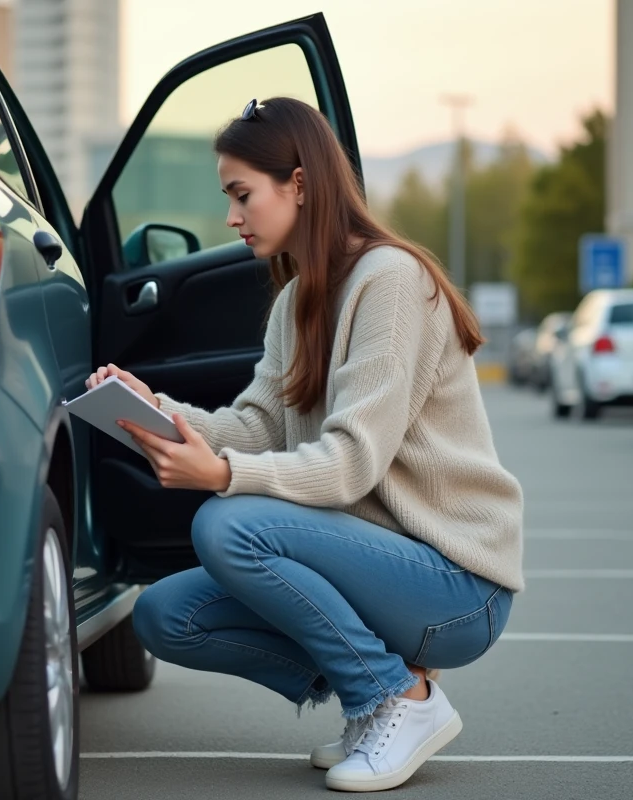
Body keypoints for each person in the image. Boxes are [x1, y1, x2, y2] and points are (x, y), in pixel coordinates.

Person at [85, 97, 524, 793]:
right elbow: (257, 423)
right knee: (166, 615)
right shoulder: (297, 300)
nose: (232, 218)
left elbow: (350, 464)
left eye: (241, 195)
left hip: (456, 586)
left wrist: (222, 475)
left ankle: (395, 701)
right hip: (379, 568)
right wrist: (155, 409)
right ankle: (379, 691)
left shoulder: (392, 282)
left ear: (299, 184)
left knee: (227, 524)